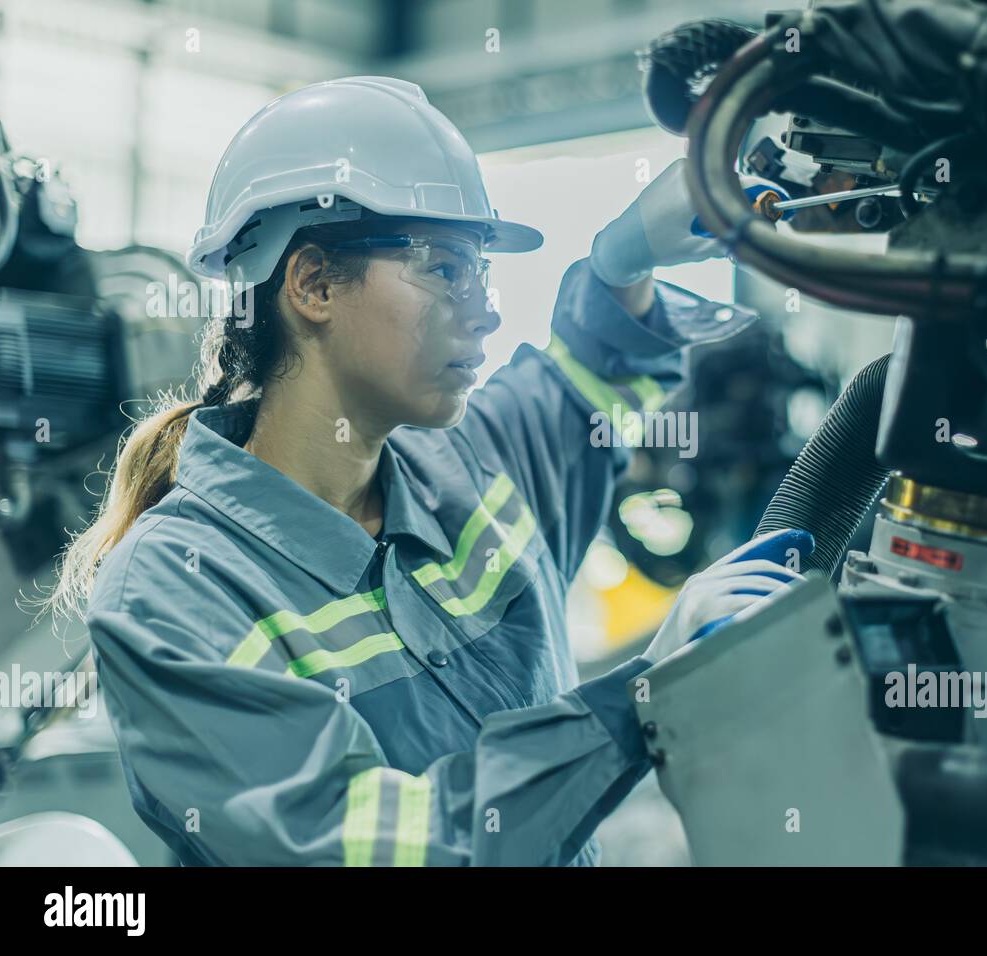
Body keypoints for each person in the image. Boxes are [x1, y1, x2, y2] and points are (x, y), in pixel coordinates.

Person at [50, 76, 806, 866]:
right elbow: (379, 847)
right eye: (443, 267)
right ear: (311, 283)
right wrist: (643, 697)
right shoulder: (177, 589)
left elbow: (589, 373)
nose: (483, 309)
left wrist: (626, 255)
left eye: (481, 268)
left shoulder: (470, 470)